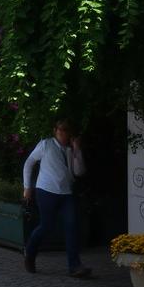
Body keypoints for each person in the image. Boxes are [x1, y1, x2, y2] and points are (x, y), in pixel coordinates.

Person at [22, 118, 90, 277]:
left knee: (72, 227)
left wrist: (77, 150)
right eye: (60, 130)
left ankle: (74, 266)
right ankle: (30, 253)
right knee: (46, 226)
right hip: (46, 190)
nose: (62, 133)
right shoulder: (46, 145)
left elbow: (79, 172)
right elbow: (29, 162)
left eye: (65, 130)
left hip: (66, 193)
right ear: (55, 131)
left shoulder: (71, 150)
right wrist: (27, 187)